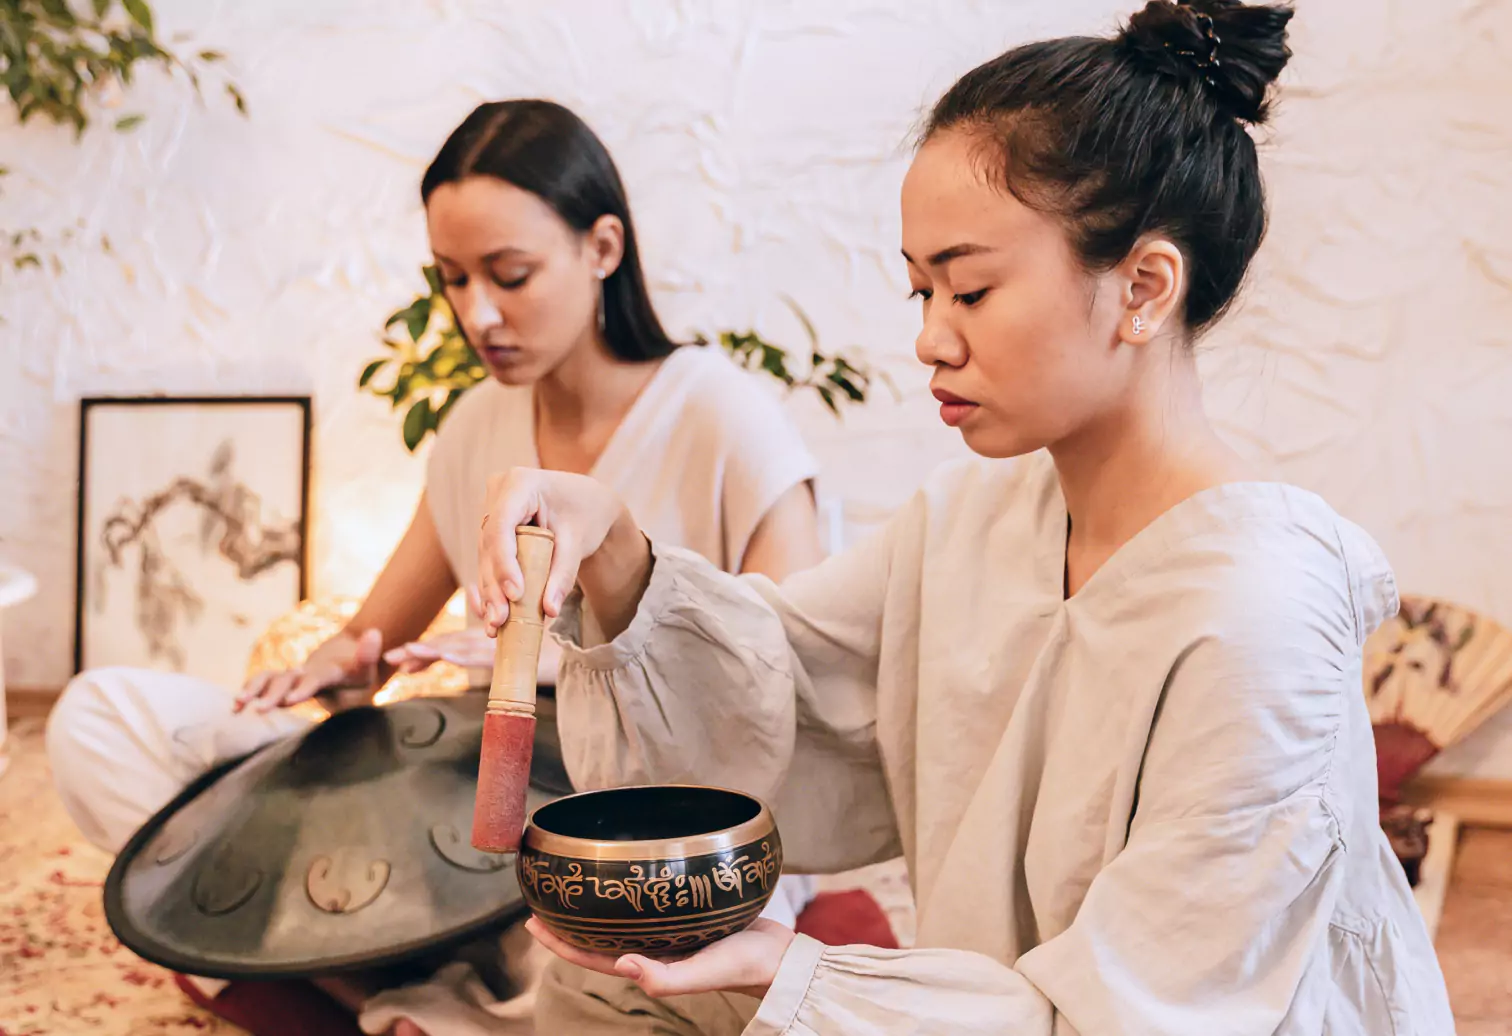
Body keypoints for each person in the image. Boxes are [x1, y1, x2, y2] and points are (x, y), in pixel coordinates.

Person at [473, 3, 1457, 1033]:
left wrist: (808, 983)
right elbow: (778, 684)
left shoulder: (1260, 613)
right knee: (596, 978)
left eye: (973, 290)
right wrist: (614, 545)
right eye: (919, 292)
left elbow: (1145, 1012)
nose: (931, 341)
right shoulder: (970, 520)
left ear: (1144, 287)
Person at [46, 99, 824, 1035]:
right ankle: (428, 993)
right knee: (104, 721)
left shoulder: (725, 419)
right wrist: (338, 662)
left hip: (626, 813)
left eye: (510, 275)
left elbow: (794, 694)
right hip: (464, 786)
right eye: (453, 279)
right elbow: (378, 632)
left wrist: (577, 662)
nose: (477, 313)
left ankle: (415, 994)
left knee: (667, 950)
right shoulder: (473, 429)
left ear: (603, 248)